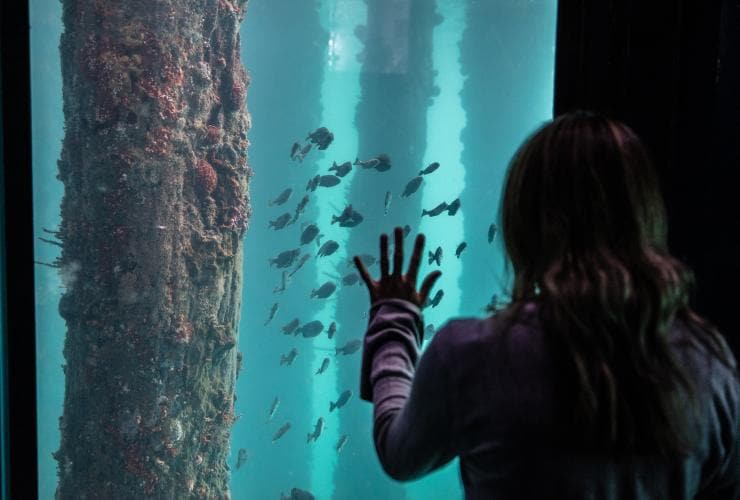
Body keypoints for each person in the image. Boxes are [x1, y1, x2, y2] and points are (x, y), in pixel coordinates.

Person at [353, 111, 740, 499]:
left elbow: (398, 453)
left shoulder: (469, 354)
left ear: (526, 219)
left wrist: (394, 320)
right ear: (645, 214)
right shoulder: (709, 360)